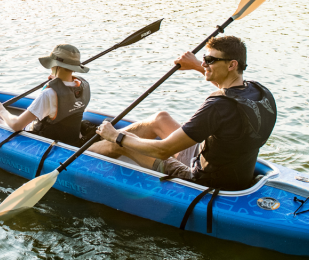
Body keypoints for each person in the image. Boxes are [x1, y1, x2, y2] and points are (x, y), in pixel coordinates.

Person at [91, 35, 276, 191]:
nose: (205, 63)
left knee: (121, 143)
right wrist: (197, 66)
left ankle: (74, 156)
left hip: (202, 180)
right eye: (204, 58)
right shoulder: (259, 92)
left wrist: (116, 136)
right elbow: (229, 92)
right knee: (160, 119)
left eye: (210, 60)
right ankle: (92, 145)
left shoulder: (217, 106)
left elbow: (162, 150)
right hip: (230, 169)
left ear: (231, 65)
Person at [0, 44, 91, 146]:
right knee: (5, 116)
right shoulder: (84, 86)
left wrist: (1, 110)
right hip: (69, 139)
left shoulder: (49, 94)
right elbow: (66, 96)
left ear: (55, 65)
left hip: (44, 140)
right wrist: (57, 81)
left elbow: (16, 126)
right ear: (74, 68)